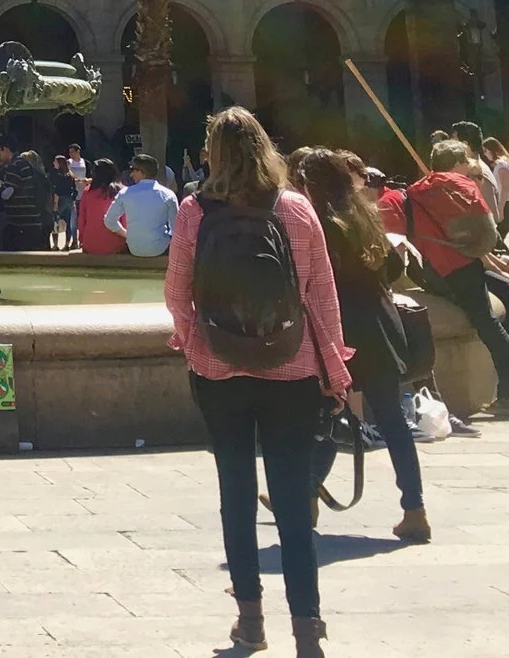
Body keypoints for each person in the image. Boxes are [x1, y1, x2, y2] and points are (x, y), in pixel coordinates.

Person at [165, 106, 351, 658]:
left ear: (213, 154)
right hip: (290, 366)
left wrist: (194, 344)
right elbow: (320, 295)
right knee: (293, 501)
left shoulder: (195, 211)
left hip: (220, 369)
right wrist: (335, 368)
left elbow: (177, 292)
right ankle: (308, 628)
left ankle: (250, 621)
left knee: (236, 493)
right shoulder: (295, 208)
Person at [295, 148, 427, 543]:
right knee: (392, 421)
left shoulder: (319, 221)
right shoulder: (365, 215)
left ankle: (307, 495)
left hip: (341, 329)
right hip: (381, 325)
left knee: (325, 413)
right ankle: (415, 509)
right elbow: (394, 268)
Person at [393, 137, 509, 416]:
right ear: (455, 164)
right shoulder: (463, 185)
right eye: (465, 161)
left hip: (442, 268)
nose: (469, 165)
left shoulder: (416, 190)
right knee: (490, 323)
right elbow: (485, 234)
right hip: (467, 264)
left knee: (503, 305)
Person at [0, 135, 52, 251]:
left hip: (21, 224)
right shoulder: (23, 163)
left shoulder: (14, 166)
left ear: (5, 149)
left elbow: (7, 193)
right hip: (30, 220)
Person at [104, 153, 179, 259]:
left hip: (134, 248)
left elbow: (109, 221)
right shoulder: (168, 195)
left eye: (133, 170)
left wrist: (127, 235)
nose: (131, 175)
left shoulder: (125, 193)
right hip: (160, 248)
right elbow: (176, 228)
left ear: (141, 172)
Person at [75, 156, 126, 255]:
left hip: (90, 243)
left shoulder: (87, 191)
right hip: (116, 243)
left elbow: (82, 219)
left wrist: (82, 239)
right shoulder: (122, 191)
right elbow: (125, 221)